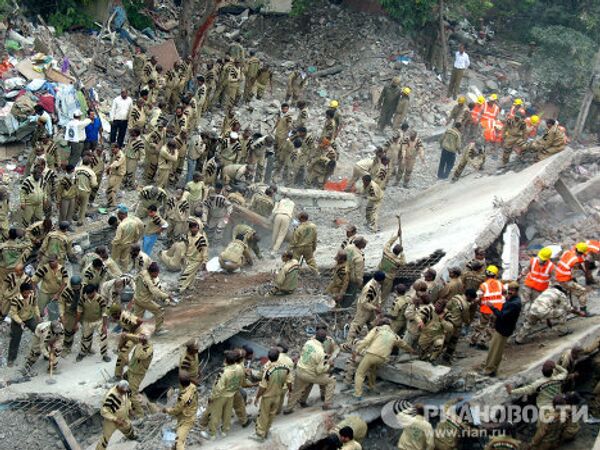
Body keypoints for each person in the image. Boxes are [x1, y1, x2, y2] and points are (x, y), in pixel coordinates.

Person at [351, 318, 413, 398]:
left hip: (371, 354)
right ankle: (372, 386)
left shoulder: (377, 329)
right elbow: (403, 344)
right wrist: (411, 350)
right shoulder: (394, 335)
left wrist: (356, 351)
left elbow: (366, 341)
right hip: (382, 358)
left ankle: (357, 394)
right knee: (372, 370)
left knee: (360, 373)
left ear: (381, 324)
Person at [284, 329, 336, 413]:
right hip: (309, 374)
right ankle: (327, 404)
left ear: (315, 336)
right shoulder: (320, 352)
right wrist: (329, 365)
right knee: (332, 380)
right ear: (324, 339)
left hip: (299, 370)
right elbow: (319, 370)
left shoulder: (308, 343)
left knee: (296, 391)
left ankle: (289, 408)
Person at [250, 347, 292, 442]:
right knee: (272, 414)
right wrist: (290, 391)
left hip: (268, 396)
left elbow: (263, 387)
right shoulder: (285, 368)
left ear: (269, 358)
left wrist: (257, 397)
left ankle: (260, 435)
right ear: (278, 357)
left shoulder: (268, 371)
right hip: (278, 395)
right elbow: (289, 381)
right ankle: (267, 431)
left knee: (263, 415)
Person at [200, 350, 244, 440]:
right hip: (231, 394)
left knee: (215, 415)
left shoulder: (224, 372)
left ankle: (212, 434)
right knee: (227, 414)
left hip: (221, 396)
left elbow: (218, 388)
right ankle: (224, 431)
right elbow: (241, 381)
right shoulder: (240, 368)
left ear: (226, 361)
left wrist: (212, 397)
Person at [481, 281, 521, 376]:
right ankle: (492, 368)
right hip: (503, 328)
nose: (510, 292)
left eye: (512, 290)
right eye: (509, 290)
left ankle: (489, 370)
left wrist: (492, 307)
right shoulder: (513, 300)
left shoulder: (514, 304)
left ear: (516, 291)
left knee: (495, 351)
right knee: (496, 350)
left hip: (503, 330)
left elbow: (502, 315)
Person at [345, 271, 385, 344]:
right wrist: (375, 308)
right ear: (381, 280)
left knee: (373, 325)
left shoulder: (377, 285)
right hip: (364, 310)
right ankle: (349, 343)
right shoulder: (369, 287)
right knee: (357, 326)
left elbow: (378, 295)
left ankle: (372, 340)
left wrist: (378, 305)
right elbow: (364, 302)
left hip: (371, 309)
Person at [95, 380, 136, 450]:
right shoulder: (110, 396)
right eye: (123, 391)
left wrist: (130, 408)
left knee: (128, 428)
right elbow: (104, 411)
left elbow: (128, 400)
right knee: (105, 438)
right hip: (111, 420)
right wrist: (116, 419)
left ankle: (132, 437)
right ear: (118, 388)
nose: (124, 393)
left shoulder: (127, 391)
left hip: (123, 418)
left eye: (125, 391)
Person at [76, 284, 111, 363]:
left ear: (94, 292)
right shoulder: (82, 298)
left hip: (98, 321)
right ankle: (82, 353)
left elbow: (104, 313)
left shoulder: (100, 299)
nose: (88, 296)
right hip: (87, 321)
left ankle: (104, 355)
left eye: (90, 294)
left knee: (103, 337)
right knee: (85, 338)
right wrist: (76, 323)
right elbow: (79, 311)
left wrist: (105, 325)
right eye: (87, 294)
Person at [133, 263, 171, 334]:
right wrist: (166, 296)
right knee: (159, 311)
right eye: (157, 273)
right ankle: (158, 329)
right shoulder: (148, 280)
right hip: (144, 300)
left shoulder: (142, 273)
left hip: (137, 298)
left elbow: (135, 280)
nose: (157, 275)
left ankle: (132, 331)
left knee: (137, 317)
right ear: (152, 272)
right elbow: (155, 291)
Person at [7, 283, 39, 367]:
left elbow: (35, 306)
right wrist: (21, 322)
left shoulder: (32, 295)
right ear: (21, 292)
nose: (27, 295)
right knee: (15, 339)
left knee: (39, 331)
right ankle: (11, 358)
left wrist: (38, 315)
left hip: (29, 318)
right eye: (25, 293)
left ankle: (42, 351)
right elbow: (13, 314)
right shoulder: (15, 299)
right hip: (18, 321)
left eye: (28, 292)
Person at [163, 373, 198, 450]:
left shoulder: (183, 397)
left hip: (186, 419)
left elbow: (176, 410)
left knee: (179, 442)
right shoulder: (193, 387)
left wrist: (166, 410)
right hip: (191, 413)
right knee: (179, 438)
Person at [555, 242, 590, 315]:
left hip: (557, 275)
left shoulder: (567, 252)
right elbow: (574, 272)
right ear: (582, 252)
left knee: (569, 292)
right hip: (565, 279)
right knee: (582, 291)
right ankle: (583, 311)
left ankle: (570, 308)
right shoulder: (575, 261)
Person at [31, 256, 68, 321]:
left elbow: (64, 283)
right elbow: (33, 280)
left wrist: (57, 294)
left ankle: (53, 324)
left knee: (57, 310)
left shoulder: (62, 269)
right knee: (39, 309)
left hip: (56, 293)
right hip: (45, 292)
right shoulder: (44, 268)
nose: (51, 263)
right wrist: (34, 293)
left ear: (57, 260)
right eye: (50, 262)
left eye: (53, 261)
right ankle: (36, 323)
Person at [125, 333, 154, 417]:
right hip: (131, 370)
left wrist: (140, 344)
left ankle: (140, 414)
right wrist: (126, 335)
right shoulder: (141, 342)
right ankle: (130, 407)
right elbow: (135, 337)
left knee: (132, 394)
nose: (140, 337)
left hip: (137, 374)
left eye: (143, 336)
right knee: (127, 389)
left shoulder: (149, 349)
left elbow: (139, 355)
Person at [377, 216, 404, 299]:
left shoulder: (385, 251)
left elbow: (388, 243)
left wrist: (396, 236)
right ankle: (379, 306)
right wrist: (402, 253)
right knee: (384, 294)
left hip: (379, 273)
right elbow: (403, 262)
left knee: (375, 288)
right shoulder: (398, 261)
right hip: (388, 279)